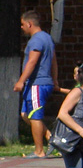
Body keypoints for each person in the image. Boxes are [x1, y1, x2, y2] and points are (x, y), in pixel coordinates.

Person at [14, 10, 57, 158]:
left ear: (29, 24)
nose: (21, 27)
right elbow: (54, 62)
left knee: (35, 116)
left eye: (22, 24)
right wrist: (55, 80)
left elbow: (32, 61)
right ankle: (51, 137)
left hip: (36, 83)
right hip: (39, 83)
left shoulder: (36, 40)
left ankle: (39, 151)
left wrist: (20, 81)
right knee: (25, 114)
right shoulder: (47, 38)